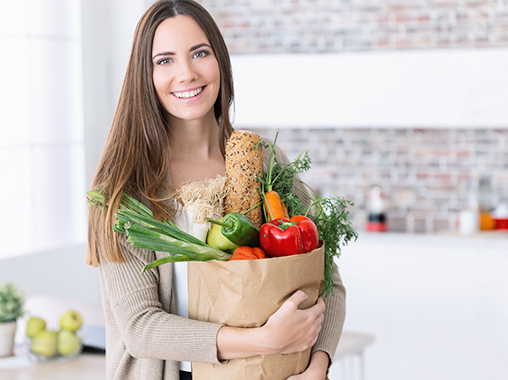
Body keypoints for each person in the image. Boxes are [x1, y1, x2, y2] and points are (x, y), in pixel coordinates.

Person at [86, 1, 346, 379]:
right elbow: (140, 328)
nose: (187, 73)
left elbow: (328, 280)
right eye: (165, 61)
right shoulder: (125, 184)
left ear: (220, 61)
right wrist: (264, 340)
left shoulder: (266, 162)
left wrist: (317, 366)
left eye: (200, 53)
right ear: (145, 75)